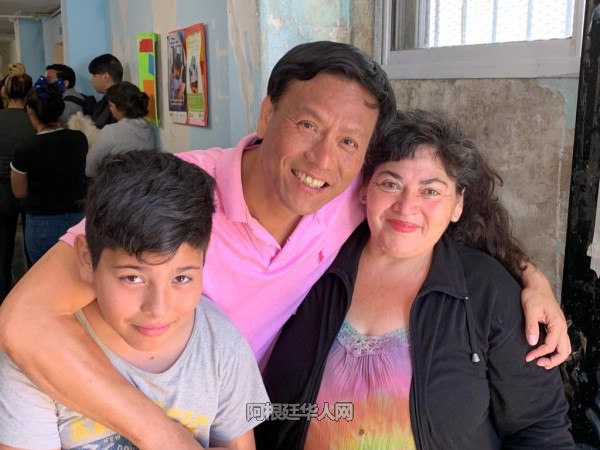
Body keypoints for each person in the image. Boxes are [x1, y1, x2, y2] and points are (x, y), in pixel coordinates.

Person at [0, 41, 570, 450]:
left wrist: (530, 277)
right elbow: (22, 320)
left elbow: (433, 216)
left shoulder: (349, 198)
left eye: (349, 142)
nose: (323, 160)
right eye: (307, 125)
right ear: (268, 112)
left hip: (244, 414)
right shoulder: (179, 193)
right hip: (112, 409)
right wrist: (161, 434)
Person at [257, 110, 574, 449]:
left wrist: (531, 278)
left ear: (458, 205)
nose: (406, 206)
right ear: (364, 189)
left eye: (431, 191)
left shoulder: (488, 291)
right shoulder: (314, 262)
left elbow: (541, 429)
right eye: (390, 184)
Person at [0, 151, 268, 449]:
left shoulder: (222, 345)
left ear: (203, 262)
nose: (158, 309)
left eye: (181, 278)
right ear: (87, 259)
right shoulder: (34, 361)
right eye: (133, 278)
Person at [10, 76, 88, 264]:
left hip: (42, 221)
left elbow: (19, 191)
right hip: (77, 218)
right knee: (77, 272)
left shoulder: (25, 148)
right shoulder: (79, 139)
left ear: (30, 111)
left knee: (43, 272)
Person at [0, 73, 34, 302]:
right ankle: (32, 295)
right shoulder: (33, 119)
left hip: (1, 189)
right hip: (31, 188)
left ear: (5, 91)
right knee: (33, 248)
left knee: (3, 249)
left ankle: (3, 298)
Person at [86, 81, 157, 177]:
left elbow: (89, 169)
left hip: (117, 184)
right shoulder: (150, 129)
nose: (110, 109)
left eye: (111, 105)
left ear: (121, 108)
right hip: (145, 183)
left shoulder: (111, 131)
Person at [88, 53, 123, 129]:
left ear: (105, 76)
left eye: (94, 75)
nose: (91, 80)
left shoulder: (121, 105)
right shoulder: (104, 101)